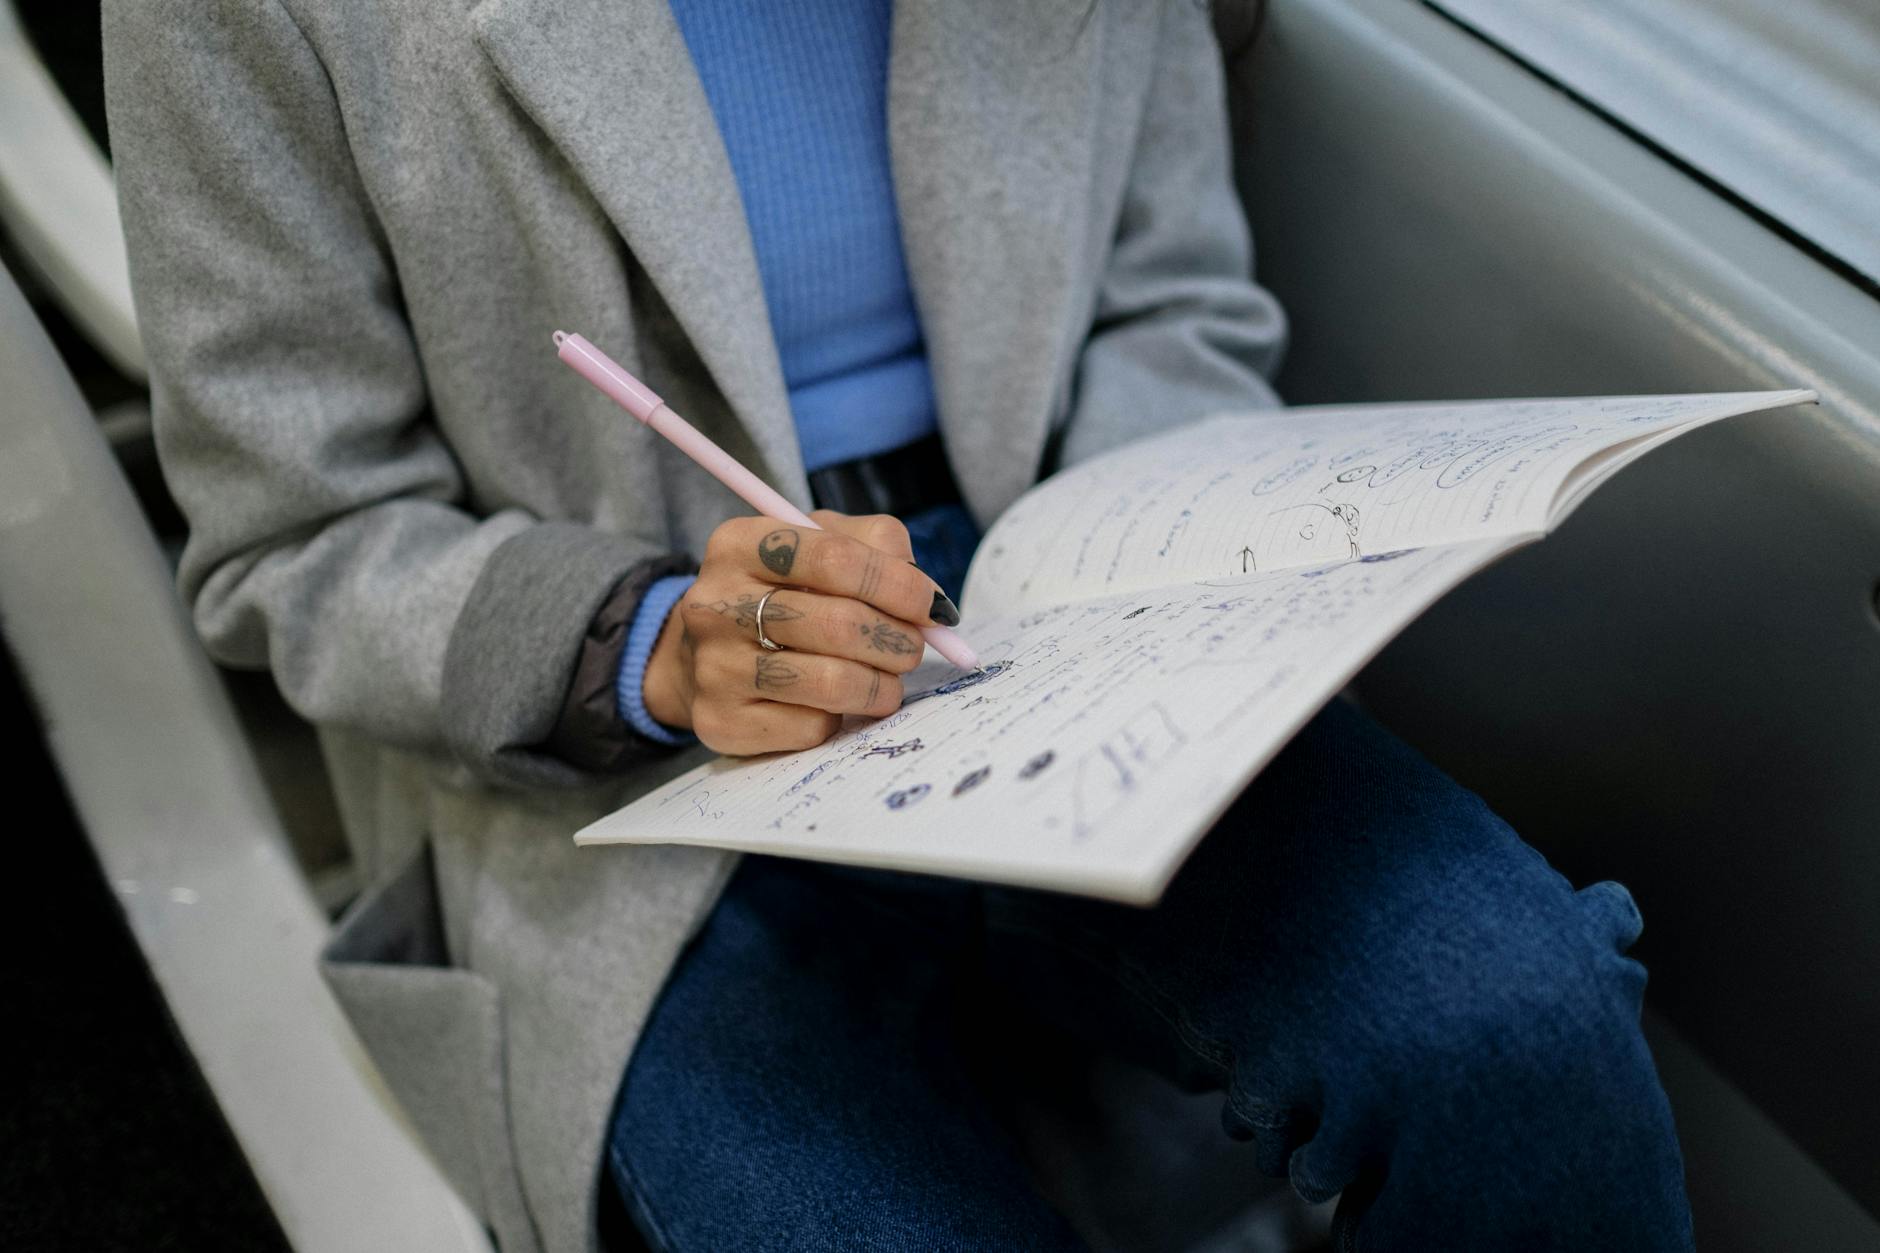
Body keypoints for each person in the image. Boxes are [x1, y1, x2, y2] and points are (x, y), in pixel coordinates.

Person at [102, 0, 1693, 1248]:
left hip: (1056, 599)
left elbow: (1172, 305)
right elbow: (299, 538)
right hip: (627, 748)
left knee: (1526, 1035)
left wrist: (1139, 573)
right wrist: (642, 638)